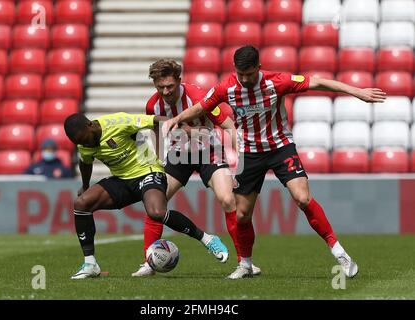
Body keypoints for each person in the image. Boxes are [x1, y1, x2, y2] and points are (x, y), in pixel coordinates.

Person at [162, 45, 387, 279]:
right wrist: (176, 119)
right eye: (241, 74)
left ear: (258, 67)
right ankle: (246, 265)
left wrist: (357, 92)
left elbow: (318, 82)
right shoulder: (226, 87)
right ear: (235, 70)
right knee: (242, 215)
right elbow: (201, 106)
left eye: (250, 73)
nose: (245, 79)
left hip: (280, 147)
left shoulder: (276, 81)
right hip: (250, 154)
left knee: (302, 198)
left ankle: (340, 253)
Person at [132, 59, 261, 277]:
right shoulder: (152, 105)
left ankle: (244, 263)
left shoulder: (198, 97)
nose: (165, 91)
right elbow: (155, 131)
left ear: (179, 81)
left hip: (209, 152)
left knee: (229, 200)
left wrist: (240, 161)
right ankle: (149, 261)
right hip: (178, 156)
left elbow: (228, 126)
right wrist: (158, 160)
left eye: (170, 86)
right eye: (160, 87)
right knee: (154, 201)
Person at [63, 112, 229, 279]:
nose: (86, 144)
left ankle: (207, 239)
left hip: (148, 172)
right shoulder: (83, 144)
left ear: (91, 125)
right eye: (80, 142)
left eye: (86, 139)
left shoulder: (118, 122)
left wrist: (180, 128)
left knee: (156, 212)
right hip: (122, 180)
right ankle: (90, 264)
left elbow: (157, 120)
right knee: (81, 203)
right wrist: (85, 186)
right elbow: (85, 162)